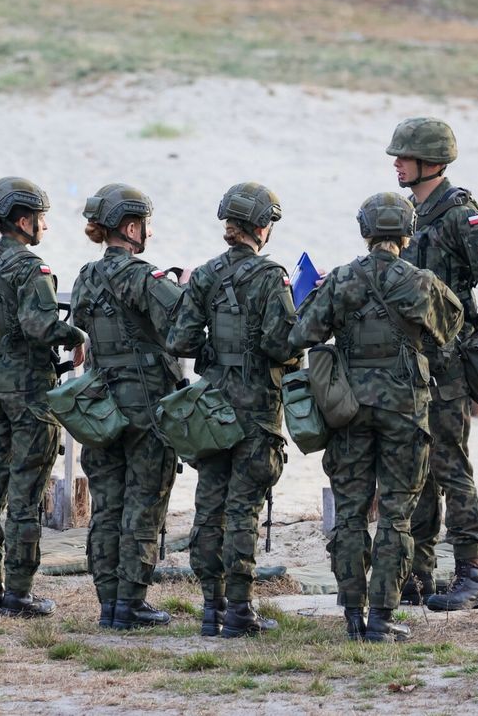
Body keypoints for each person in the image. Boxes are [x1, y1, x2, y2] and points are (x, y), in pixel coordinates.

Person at [289, 193, 464, 642]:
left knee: (349, 515)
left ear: (365, 231)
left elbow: (302, 332)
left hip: (348, 410)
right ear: (406, 234)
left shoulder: (343, 279)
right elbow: (450, 327)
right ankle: (384, 617)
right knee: (395, 517)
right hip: (405, 410)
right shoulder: (420, 282)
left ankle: (352, 615)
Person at [386, 118, 478, 611]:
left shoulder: (463, 217)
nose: (396, 164)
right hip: (413, 363)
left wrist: (474, 330)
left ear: (431, 163)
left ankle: (471, 575)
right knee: (418, 467)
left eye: (404, 157)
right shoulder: (410, 215)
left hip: (447, 364)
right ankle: (417, 576)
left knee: (451, 465)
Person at [166, 182, 299, 637]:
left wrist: (214, 355)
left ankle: (211, 608)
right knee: (243, 509)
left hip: (212, 406)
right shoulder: (272, 277)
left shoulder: (204, 275)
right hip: (258, 408)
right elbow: (282, 346)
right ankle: (240, 611)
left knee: (209, 506)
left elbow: (180, 340)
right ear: (262, 227)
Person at [0, 177, 87, 618]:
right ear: (24, 220)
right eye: (41, 218)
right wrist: (76, 334)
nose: (45, 226)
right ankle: (19, 594)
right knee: (27, 492)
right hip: (29, 390)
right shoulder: (32, 268)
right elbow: (41, 326)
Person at [70, 183, 184, 630]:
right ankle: (131, 604)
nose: (149, 235)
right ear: (132, 227)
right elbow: (182, 323)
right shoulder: (143, 277)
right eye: (146, 226)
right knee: (144, 502)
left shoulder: (85, 276)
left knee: (107, 504)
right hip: (145, 404)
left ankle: (108, 603)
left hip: (100, 404)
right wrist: (185, 287)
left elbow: (80, 320)